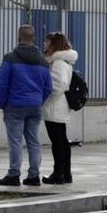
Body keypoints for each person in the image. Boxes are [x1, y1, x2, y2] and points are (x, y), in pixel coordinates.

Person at [0, 25, 52, 187]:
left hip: (15, 105)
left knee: (15, 141)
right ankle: (34, 176)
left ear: (19, 38)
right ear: (33, 39)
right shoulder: (43, 61)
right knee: (34, 141)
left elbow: (2, 83)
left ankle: (14, 174)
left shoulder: (10, 58)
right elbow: (48, 87)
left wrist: (3, 102)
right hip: (35, 105)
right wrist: (38, 100)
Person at [41, 31, 78, 185]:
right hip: (59, 106)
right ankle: (65, 173)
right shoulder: (62, 61)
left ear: (54, 44)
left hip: (55, 106)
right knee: (61, 140)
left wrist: (46, 100)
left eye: (47, 42)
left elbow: (58, 85)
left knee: (58, 142)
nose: (44, 44)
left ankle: (59, 174)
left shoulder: (58, 62)